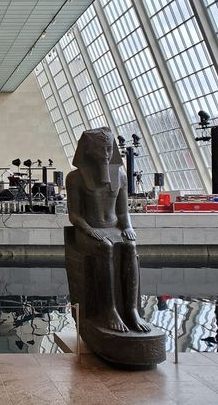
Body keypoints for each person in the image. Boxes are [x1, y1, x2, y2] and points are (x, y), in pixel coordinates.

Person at [66, 127, 150, 333]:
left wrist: (128, 227)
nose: (105, 154)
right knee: (105, 247)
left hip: (113, 227)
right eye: (100, 149)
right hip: (89, 229)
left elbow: (122, 212)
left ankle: (131, 309)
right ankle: (108, 309)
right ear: (88, 150)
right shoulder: (75, 178)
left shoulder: (120, 176)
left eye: (108, 149)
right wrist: (89, 230)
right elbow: (74, 215)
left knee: (130, 247)